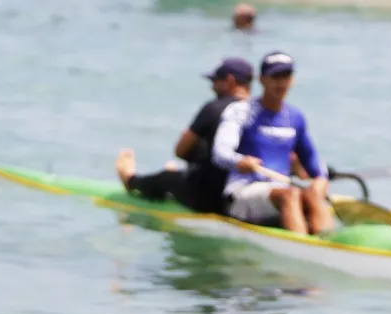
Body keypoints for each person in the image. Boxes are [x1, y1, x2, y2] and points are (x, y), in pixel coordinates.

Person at [212, 52, 335, 235]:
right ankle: (301, 249)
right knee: (290, 194)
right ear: (262, 80)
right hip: (242, 191)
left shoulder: (295, 117)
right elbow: (220, 153)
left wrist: (321, 179)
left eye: (286, 76)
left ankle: (329, 243)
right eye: (275, 77)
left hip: (279, 189)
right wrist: (239, 161)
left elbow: (312, 159)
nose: (281, 83)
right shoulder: (241, 111)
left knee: (311, 192)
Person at [115, 58, 254, 215]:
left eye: (215, 81)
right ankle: (182, 174)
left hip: (207, 200)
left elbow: (181, 150)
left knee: (166, 178)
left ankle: (130, 181)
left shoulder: (214, 108)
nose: (212, 87)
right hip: (242, 196)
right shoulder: (259, 112)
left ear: (229, 80)